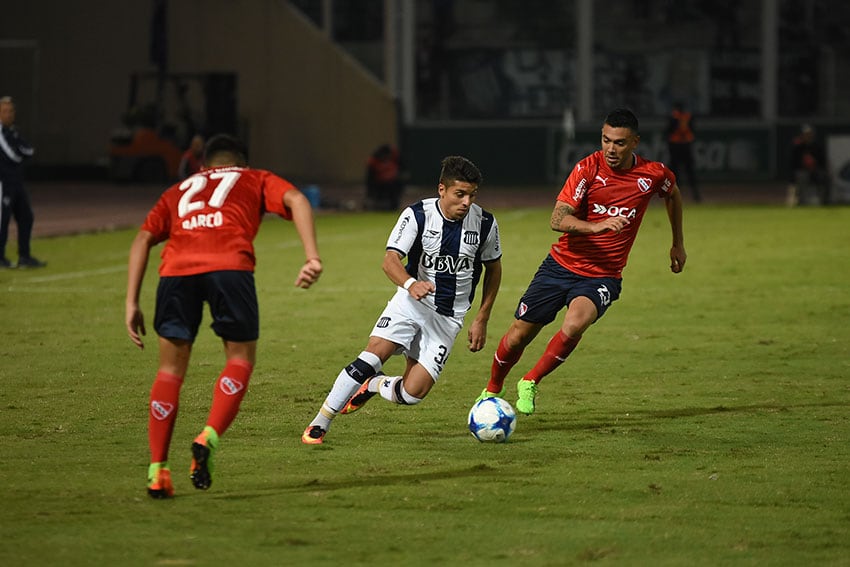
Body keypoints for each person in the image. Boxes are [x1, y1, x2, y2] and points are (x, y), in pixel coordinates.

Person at [126, 134, 323, 498]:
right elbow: (296, 199)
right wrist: (311, 256)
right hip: (229, 267)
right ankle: (208, 435)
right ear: (242, 164)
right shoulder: (254, 178)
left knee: (169, 371)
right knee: (239, 358)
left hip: (175, 273)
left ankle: (157, 471)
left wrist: (131, 302)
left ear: (204, 166)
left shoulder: (179, 188)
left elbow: (142, 239)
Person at [478, 108, 686, 415]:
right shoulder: (588, 169)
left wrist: (677, 243)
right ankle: (493, 388)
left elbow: (673, 194)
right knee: (519, 334)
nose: (611, 149)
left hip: (603, 275)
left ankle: (531, 380)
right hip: (561, 266)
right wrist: (595, 226)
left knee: (575, 325)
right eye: (606, 140)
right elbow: (557, 219)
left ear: (635, 143)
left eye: (619, 142)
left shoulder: (653, 174)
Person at [302, 155, 502, 445]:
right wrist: (410, 284)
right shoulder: (417, 214)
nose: (466, 202)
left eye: (472, 195)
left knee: (412, 394)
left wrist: (482, 317)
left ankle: (373, 385)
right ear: (442, 190)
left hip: (448, 318)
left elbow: (493, 269)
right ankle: (320, 422)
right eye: (460, 194)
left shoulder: (484, 223)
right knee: (371, 356)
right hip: (411, 303)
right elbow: (390, 260)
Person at [0, 96, 46, 268]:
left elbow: (29, 149)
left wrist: (20, 152)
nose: (9, 114)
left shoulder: (14, 132)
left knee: (26, 217)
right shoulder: (1, 133)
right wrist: (21, 153)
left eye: (11, 111)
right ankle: (0, 257)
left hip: (16, 182)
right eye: (5, 111)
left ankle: (24, 257)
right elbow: (13, 154)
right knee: (2, 220)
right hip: (3, 183)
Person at [665, 102, 700, 203]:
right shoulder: (688, 117)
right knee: (688, 171)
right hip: (685, 145)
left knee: (676, 172)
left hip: (677, 146)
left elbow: (668, 132)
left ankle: (677, 194)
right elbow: (693, 130)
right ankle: (695, 194)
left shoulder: (674, 118)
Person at [787, 124, 829, 206]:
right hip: (802, 171)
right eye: (806, 134)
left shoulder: (816, 147)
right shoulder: (797, 147)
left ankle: (823, 201)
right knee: (802, 176)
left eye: (809, 134)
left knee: (824, 176)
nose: (808, 136)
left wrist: (819, 169)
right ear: (802, 135)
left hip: (815, 170)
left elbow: (822, 161)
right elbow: (793, 163)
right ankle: (801, 202)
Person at [365, 143, 405, 211]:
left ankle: (393, 206)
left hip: (392, 183)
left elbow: (401, 169)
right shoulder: (374, 161)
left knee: (396, 186)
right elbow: (370, 177)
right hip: (379, 183)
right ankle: (378, 206)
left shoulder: (394, 158)